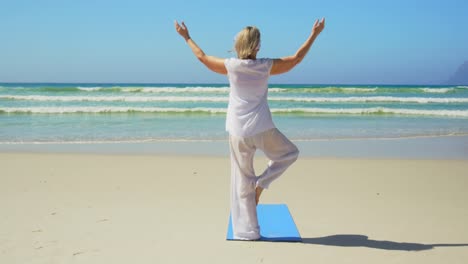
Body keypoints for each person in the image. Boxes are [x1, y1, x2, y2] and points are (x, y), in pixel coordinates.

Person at [175, 18, 325, 240]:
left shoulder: (231, 66)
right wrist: (314, 34)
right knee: (289, 154)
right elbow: (296, 59)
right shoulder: (265, 66)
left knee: (242, 180)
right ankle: (262, 183)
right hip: (263, 128)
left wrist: (186, 37)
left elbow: (202, 57)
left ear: (239, 44)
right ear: (257, 46)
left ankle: (249, 232)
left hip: (238, 132)